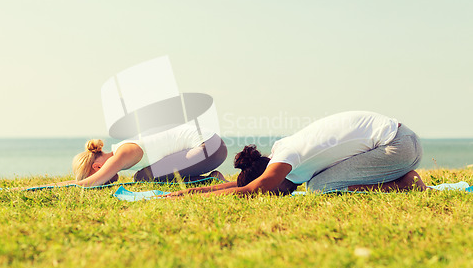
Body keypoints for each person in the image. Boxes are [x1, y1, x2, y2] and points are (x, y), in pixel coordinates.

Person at [170, 111, 428, 197]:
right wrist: (186, 192)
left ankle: (404, 183)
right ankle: (400, 175)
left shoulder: (287, 156)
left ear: (272, 175)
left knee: (320, 187)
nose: (277, 194)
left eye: (273, 191)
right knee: (318, 183)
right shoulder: (284, 154)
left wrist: (185, 197)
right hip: (399, 141)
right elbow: (243, 184)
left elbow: (252, 189)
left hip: (397, 146)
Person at [71, 123, 228, 187]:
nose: (103, 183)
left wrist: (50, 187)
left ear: (97, 167)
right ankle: (214, 179)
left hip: (209, 147)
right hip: (213, 145)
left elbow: (87, 183)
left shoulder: (122, 153)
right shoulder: (122, 149)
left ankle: (213, 181)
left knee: (143, 177)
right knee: (144, 175)